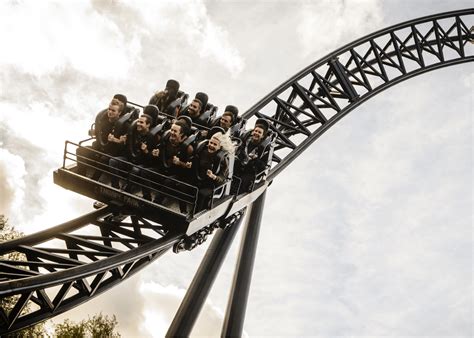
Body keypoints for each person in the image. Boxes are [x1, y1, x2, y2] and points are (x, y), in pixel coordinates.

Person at [76, 94, 128, 180]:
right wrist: (94, 132)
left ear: (119, 113)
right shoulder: (103, 119)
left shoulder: (124, 125)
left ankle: (94, 180)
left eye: (113, 111)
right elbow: (100, 133)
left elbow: (124, 146)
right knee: (80, 150)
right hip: (100, 147)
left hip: (112, 153)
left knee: (104, 159)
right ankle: (81, 176)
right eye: (109, 109)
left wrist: (116, 140)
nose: (110, 112)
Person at [108, 114, 153, 190]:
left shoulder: (152, 137)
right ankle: (115, 186)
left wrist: (146, 151)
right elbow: (125, 147)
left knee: (135, 170)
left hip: (141, 164)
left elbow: (153, 160)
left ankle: (127, 189)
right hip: (129, 159)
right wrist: (118, 141)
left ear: (148, 125)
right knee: (113, 161)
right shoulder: (133, 131)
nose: (138, 124)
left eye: (141, 122)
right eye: (138, 121)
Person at [192, 132, 234, 211]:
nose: (211, 145)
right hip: (199, 180)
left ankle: (196, 213)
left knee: (202, 194)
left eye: (215, 145)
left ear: (219, 147)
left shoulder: (223, 160)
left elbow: (222, 180)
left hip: (212, 185)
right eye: (211, 143)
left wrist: (213, 176)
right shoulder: (202, 151)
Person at [235, 118, 271, 193]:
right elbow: (239, 151)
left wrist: (255, 159)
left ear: (262, 136)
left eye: (259, 132)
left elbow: (263, 166)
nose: (256, 133)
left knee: (243, 181)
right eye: (255, 131)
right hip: (240, 165)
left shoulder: (264, 149)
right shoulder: (245, 140)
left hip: (251, 170)